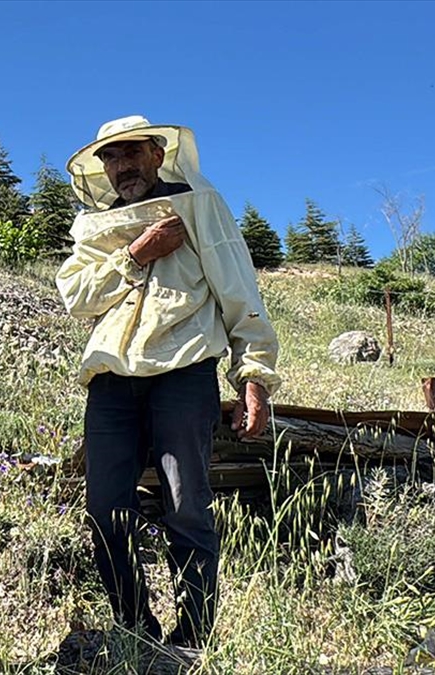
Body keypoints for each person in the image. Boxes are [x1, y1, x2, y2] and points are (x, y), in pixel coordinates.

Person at [56, 115, 281, 648]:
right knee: (106, 509)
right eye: (110, 157)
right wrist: (137, 253)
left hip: (183, 372)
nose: (121, 165)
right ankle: (136, 628)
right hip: (112, 380)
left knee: (186, 505)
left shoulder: (200, 205)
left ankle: (194, 636)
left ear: (158, 154)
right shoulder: (93, 229)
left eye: (131, 152)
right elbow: (76, 297)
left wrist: (253, 377)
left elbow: (239, 292)